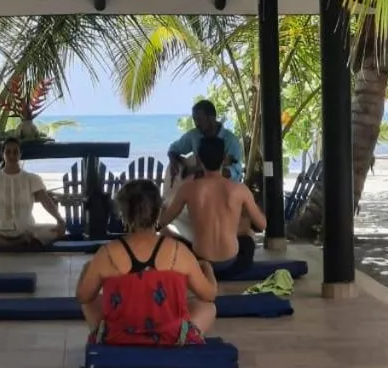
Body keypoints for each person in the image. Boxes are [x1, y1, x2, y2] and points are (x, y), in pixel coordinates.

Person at [75, 179, 217, 344]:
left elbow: (83, 297)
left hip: (118, 336)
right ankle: (178, 342)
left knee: (90, 302)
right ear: (158, 211)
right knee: (208, 307)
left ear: (123, 213)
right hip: (171, 337)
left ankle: (109, 341)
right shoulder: (179, 251)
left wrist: (87, 268)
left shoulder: (107, 253)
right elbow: (209, 295)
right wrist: (208, 269)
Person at [158, 135, 266, 278]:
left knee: (167, 233)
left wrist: (162, 208)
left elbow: (163, 222)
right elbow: (262, 224)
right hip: (233, 264)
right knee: (247, 239)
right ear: (224, 159)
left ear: (198, 160)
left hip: (200, 263)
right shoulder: (239, 190)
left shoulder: (188, 189)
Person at [0, 136, 66, 249]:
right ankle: (14, 245)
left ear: (20, 154)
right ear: (2, 154)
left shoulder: (32, 179)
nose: (12, 155)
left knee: (57, 230)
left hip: (26, 230)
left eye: (15, 152)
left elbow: (46, 201)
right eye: (8, 152)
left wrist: (60, 220)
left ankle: (3, 245)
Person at [167, 99, 244, 186]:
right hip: (198, 190)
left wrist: (200, 170)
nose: (196, 123)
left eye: (199, 119)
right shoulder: (194, 135)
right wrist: (173, 162)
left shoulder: (231, 141)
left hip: (223, 191)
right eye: (194, 119)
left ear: (211, 118)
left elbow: (236, 172)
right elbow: (173, 148)